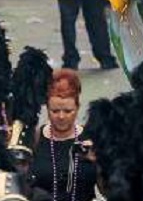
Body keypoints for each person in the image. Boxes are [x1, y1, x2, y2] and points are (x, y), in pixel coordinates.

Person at [28, 69, 98, 201]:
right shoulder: (36, 138)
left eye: (68, 111)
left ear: (77, 108)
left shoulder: (91, 138)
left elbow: (108, 190)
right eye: (54, 111)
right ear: (47, 108)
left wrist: (100, 162)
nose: (61, 116)